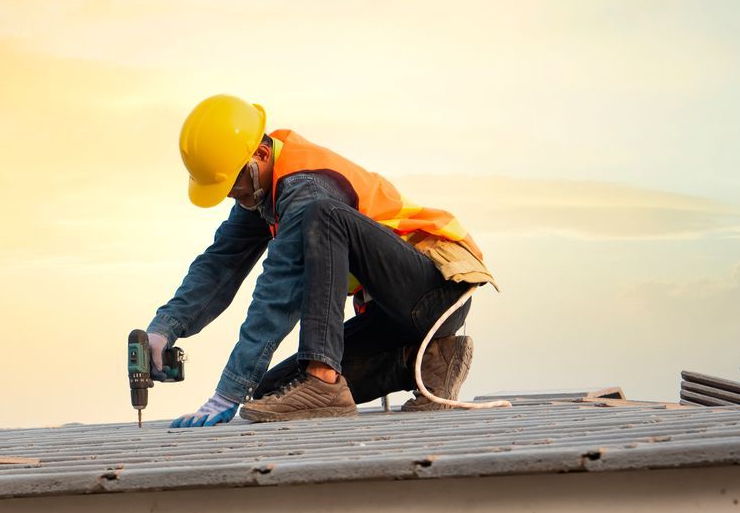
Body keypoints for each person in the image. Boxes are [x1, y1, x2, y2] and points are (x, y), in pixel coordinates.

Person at [145, 95, 495, 426]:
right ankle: (429, 360)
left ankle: (322, 379)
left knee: (323, 216)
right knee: (271, 394)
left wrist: (228, 390)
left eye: (234, 185)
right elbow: (219, 263)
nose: (234, 196)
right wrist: (165, 327)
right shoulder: (261, 189)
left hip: (436, 290)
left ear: (262, 154)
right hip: (394, 317)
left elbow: (277, 294)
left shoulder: (306, 190)